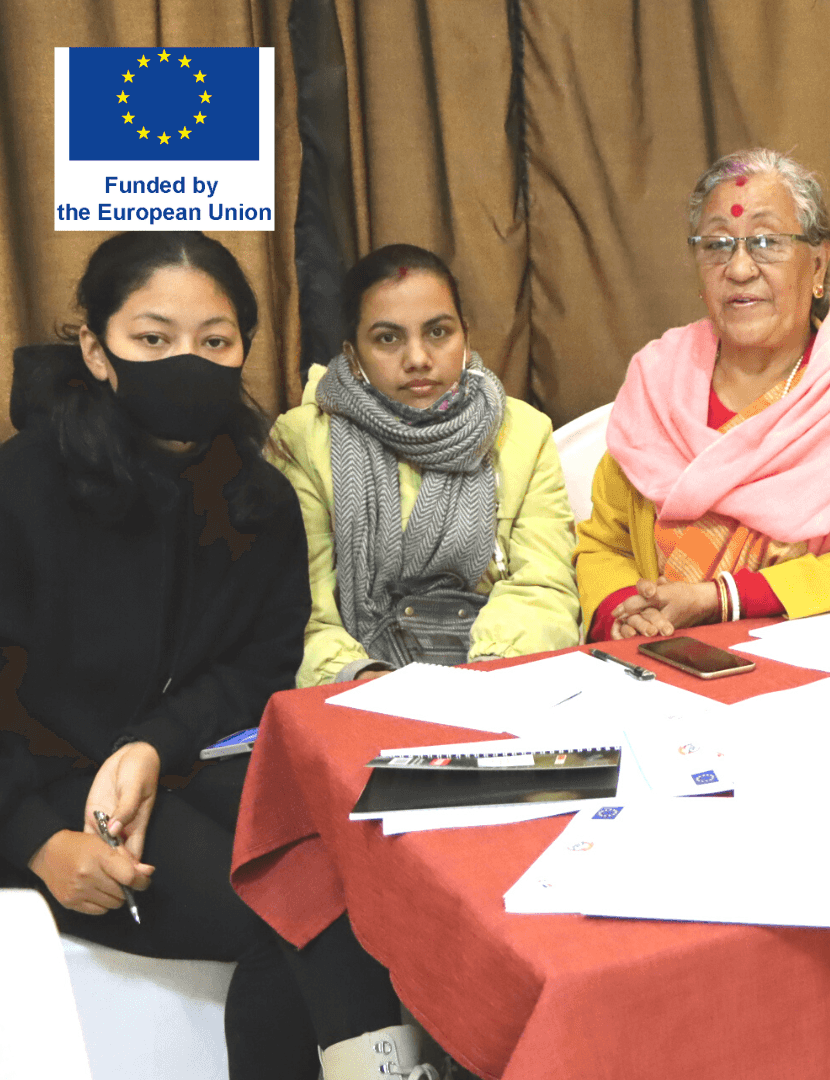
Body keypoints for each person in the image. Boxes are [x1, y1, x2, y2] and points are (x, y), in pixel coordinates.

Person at [0, 232, 444, 1079]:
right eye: (152, 338)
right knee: (293, 918)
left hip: (183, 763)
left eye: (214, 340)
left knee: (372, 886)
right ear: (94, 348)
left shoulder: (257, 495)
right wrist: (36, 841)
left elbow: (258, 665)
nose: (187, 363)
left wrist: (151, 744)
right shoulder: (22, 488)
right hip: (39, 792)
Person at [576, 148, 830, 640]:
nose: (739, 268)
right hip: (657, 652)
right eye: (717, 244)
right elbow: (604, 544)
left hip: (809, 650)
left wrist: (723, 599)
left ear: (819, 264)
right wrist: (625, 613)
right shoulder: (658, 384)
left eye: (766, 242)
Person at [269, 244, 580, 685]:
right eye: (387, 338)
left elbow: (544, 589)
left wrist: (487, 676)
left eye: (438, 332)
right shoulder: (303, 442)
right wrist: (366, 680)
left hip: (498, 676)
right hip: (363, 684)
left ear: (465, 336)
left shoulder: (524, 433)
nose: (417, 358)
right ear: (352, 355)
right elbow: (303, 613)